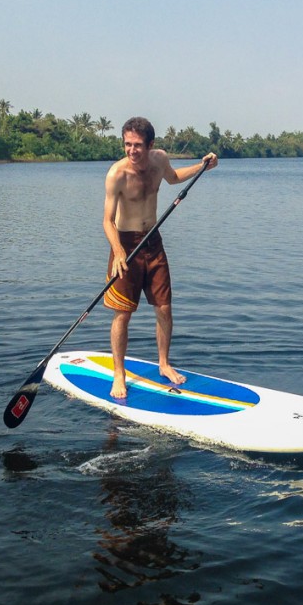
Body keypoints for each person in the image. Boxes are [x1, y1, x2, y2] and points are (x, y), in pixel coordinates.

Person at [102, 116, 218, 399]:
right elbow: (107, 220)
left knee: (164, 308)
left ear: (150, 144)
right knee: (123, 314)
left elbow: (173, 178)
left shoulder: (159, 160)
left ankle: (164, 363)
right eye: (127, 144)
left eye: (138, 145)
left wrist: (203, 166)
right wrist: (118, 252)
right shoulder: (116, 174)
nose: (132, 150)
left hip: (153, 242)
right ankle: (119, 374)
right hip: (126, 246)